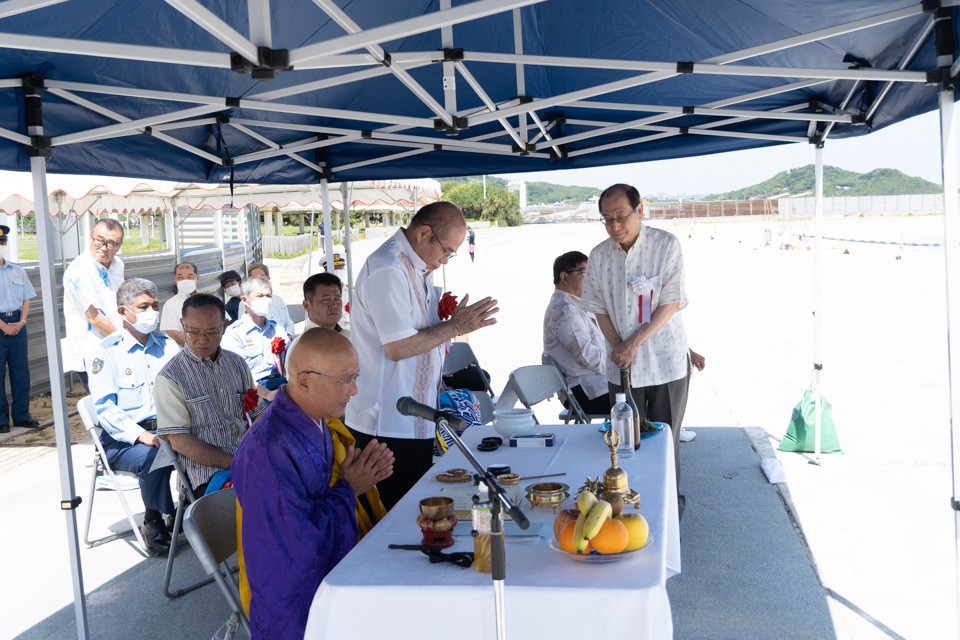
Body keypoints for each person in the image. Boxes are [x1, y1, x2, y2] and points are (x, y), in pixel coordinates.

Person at [233, 328, 393, 640]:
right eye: (346, 379)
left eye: (355, 376)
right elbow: (296, 548)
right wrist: (349, 489)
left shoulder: (318, 422)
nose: (355, 390)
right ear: (304, 380)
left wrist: (354, 484)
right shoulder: (267, 449)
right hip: (295, 610)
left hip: (326, 581)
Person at [346, 201, 498, 509]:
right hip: (386, 422)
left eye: (451, 254)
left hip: (415, 417)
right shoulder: (388, 267)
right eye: (446, 251)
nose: (444, 260)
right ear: (423, 232)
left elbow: (422, 337)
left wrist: (449, 329)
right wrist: (455, 326)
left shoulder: (417, 266)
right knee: (391, 520)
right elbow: (399, 347)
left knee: (415, 512)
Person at [581, 183, 690, 518]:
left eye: (621, 216)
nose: (615, 226)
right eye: (607, 219)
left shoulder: (666, 245)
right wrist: (618, 348)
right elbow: (598, 307)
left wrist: (633, 343)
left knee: (664, 441)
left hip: (664, 364)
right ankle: (627, 509)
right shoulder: (599, 255)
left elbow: (671, 302)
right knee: (624, 443)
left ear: (639, 210)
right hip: (621, 367)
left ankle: (668, 511)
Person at [86, 278, 180, 553]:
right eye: (143, 306)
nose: (152, 311)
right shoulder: (106, 352)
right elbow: (106, 409)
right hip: (123, 440)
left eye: (154, 305)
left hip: (166, 428)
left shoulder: (167, 345)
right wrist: (144, 436)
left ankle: (188, 508)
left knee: (205, 444)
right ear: (123, 312)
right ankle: (153, 519)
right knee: (157, 455)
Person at [155, 294, 263, 496]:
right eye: (193, 332)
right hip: (206, 475)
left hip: (249, 461)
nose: (202, 340)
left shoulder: (237, 364)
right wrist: (235, 463)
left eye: (212, 332)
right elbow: (179, 441)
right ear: (182, 325)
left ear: (224, 326)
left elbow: (258, 415)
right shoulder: (170, 378)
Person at [543, 251, 611, 416]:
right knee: (641, 396)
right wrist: (620, 369)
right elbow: (587, 355)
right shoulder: (565, 310)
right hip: (585, 391)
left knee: (645, 387)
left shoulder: (576, 303)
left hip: (597, 383)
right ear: (564, 277)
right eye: (583, 273)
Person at [62, 218, 125, 388]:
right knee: (105, 402)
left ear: (119, 245)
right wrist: (125, 343)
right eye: (99, 240)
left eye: (111, 243)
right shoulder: (79, 271)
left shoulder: (117, 264)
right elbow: (95, 318)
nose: (104, 247)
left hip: (116, 343)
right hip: (92, 349)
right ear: (90, 237)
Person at [221, 275, 290, 395]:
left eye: (268, 296)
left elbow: (291, 363)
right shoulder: (233, 334)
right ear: (244, 300)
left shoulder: (277, 330)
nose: (265, 300)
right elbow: (238, 375)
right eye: (259, 296)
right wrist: (267, 395)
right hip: (252, 391)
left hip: (281, 385)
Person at [0, 225, 38, 433]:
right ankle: (1, 419)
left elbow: (26, 298)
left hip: (17, 323)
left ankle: (22, 416)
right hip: (1, 324)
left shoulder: (18, 270)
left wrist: (21, 322)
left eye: (3, 242)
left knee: (20, 372)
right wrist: (3, 325)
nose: (1, 246)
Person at [248, 262, 295, 337]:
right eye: (254, 278)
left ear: (268, 279)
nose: (259, 281)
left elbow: (289, 323)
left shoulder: (278, 299)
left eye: (262, 278)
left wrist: (288, 336)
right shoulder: (246, 302)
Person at [160, 261, 199, 346]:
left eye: (190, 277)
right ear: (175, 280)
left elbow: (222, 324)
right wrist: (198, 347)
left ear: (197, 279)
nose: (185, 281)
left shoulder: (209, 301)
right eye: (180, 278)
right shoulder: (170, 304)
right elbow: (174, 334)